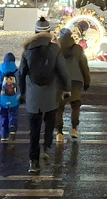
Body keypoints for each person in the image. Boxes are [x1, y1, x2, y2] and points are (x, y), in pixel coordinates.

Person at [19, 16, 70, 173]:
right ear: (49, 32)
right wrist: (67, 88)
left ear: (35, 32)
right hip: (50, 95)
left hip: (33, 97)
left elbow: (21, 74)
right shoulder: (55, 49)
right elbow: (63, 71)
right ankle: (46, 148)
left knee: (34, 130)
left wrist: (22, 93)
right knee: (49, 122)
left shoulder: (27, 51)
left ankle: (33, 161)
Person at [55, 28, 91, 141]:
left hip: (59, 81)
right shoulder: (78, 49)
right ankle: (74, 129)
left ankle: (59, 133)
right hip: (75, 81)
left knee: (59, 108)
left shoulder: (55, 49)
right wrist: (87, 81)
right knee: (75, 106)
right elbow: (84, 66)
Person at [0, 52, 21, 141]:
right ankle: (13, 127)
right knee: (13, 115)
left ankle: (4, 136)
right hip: (14, 100)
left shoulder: (0, 73)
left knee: (3, 117)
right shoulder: (17, 72)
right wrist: (23, 97)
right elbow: (21, 86)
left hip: (2, 101)